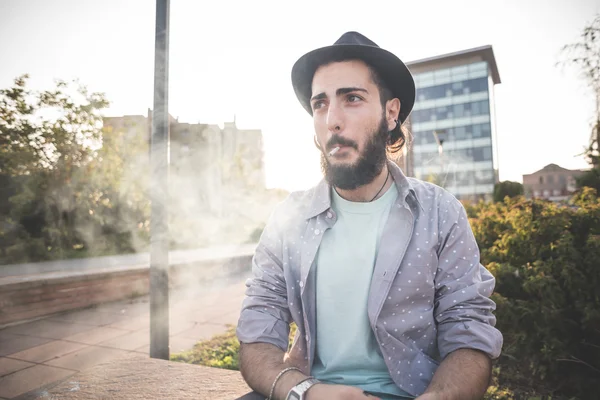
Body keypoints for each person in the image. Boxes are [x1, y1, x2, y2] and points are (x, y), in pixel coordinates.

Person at [235, 31, 503, 400]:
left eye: (353, 99)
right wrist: (303, 392)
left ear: (391, 112)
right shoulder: (288, 218)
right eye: (320, 103)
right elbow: (257, 332)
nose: (333, 120)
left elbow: (469, 332)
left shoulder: (440, 213)